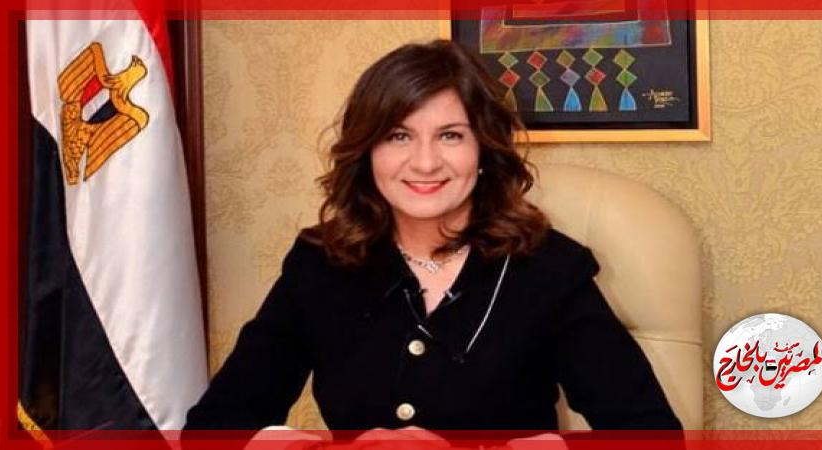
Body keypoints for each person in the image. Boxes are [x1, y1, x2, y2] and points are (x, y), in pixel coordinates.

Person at [183, 39, 682, 439]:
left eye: (450, 135)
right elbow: (214, 428)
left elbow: (650, 434)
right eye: (398, 136)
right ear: (368, 153)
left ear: (484, 151)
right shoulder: (321, 264)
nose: (424, 163)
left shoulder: (549, 269)